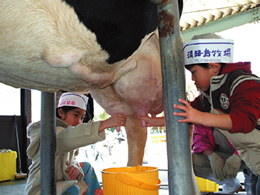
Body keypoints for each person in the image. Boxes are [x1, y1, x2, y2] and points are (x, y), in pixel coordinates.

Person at [139, 33, 260, 194]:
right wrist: (153, 122)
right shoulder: (209, 95)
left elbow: (245, 121)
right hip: (251, 157)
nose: (193, 79)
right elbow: (185, 113)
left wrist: (199, 116)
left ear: (214, 67)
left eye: (194, 72)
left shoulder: (244, 84)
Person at [26, 92, 127, 195]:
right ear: (61, 112)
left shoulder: (67, 133)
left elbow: (71, 158)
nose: (79, 121)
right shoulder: (50, 134)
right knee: (73, 189)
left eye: (82, 118)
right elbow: (68, 138)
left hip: (59, 182)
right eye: (75, 115)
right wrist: (105, 124)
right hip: (41, 189)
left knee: (86, 167)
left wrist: (76, 168)